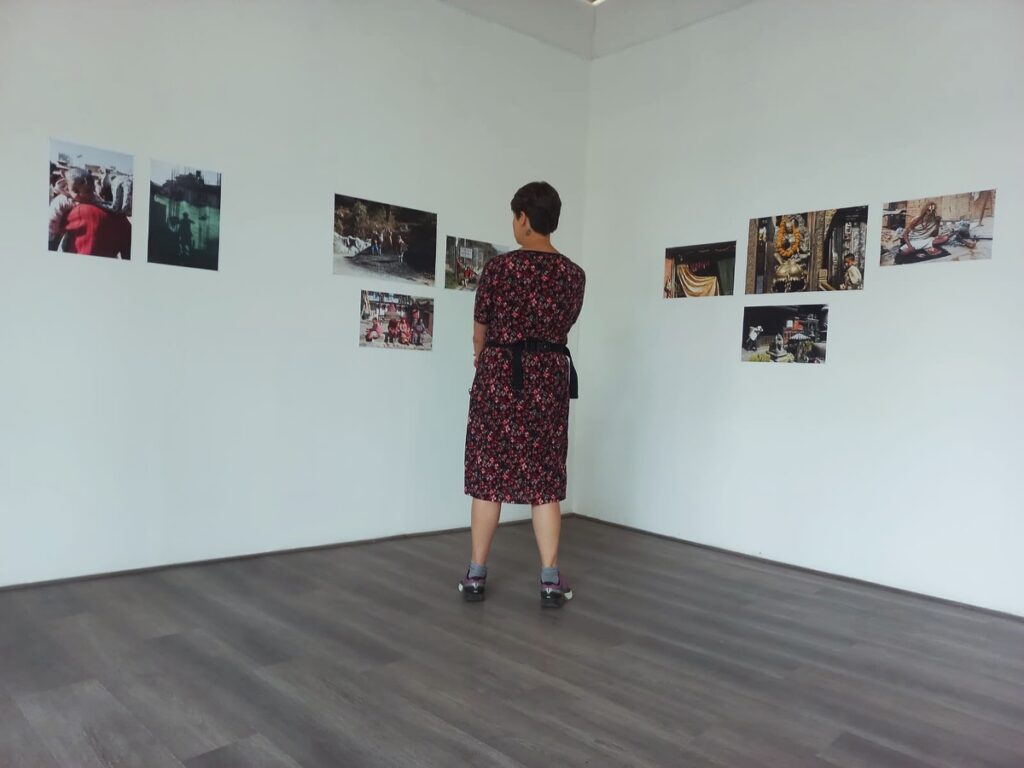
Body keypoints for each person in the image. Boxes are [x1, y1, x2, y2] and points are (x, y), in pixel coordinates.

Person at [459, 181, 585, 609]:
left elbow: (480, 327)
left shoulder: (499, 269)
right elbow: (563, 324)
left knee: (488, 476)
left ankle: (476, 574)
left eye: (515, 216)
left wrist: (482, 357)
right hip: (548, 379)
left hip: (500, 375)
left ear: (524, 219)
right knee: (544, 480)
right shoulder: (573, 275)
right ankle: (550, 580)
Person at [54, 168, 131, 258]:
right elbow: (128, 253)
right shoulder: (122, 219)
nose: (82, 195)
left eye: (88, 191)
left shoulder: (78, 210)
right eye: (76, 191)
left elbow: (57, 230)